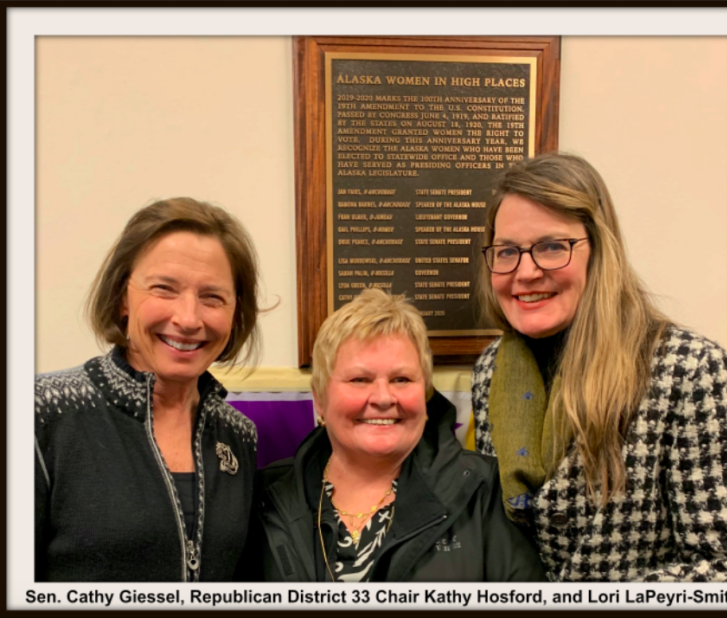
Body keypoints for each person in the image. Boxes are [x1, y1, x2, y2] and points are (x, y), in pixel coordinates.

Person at [473, 152, 727, 582]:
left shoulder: (691, 371)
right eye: (507, 252)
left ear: (600, 250)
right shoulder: (489, 371)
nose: (526, 272)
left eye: (552, 246)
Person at [35, 197, 264, 582]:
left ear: (236, 311)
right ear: (123, 296)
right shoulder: (41, 413)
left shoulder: (239, 436)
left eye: (212, 297)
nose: (188, 318)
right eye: (164, 288)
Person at [255, 288, 545, 582]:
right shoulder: (265, 496)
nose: (383, 397)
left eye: (401, 379)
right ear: (319, 400)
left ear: (426, 394)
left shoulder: (485, 491)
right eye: (360, 379)